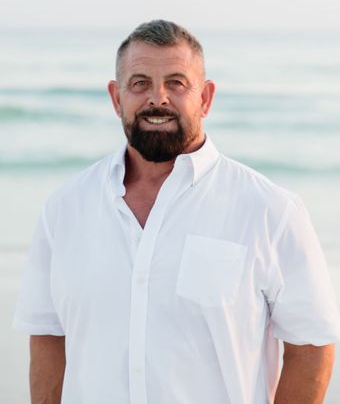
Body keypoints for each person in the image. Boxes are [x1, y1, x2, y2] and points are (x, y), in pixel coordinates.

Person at [14, 20, 340, 404]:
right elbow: (49, 337)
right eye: (139, 84)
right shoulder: (64, 209)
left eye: (176, 83)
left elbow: (312, 347)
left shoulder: (270, 210)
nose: (158, 98)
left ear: (205, 98)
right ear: (116, 98)